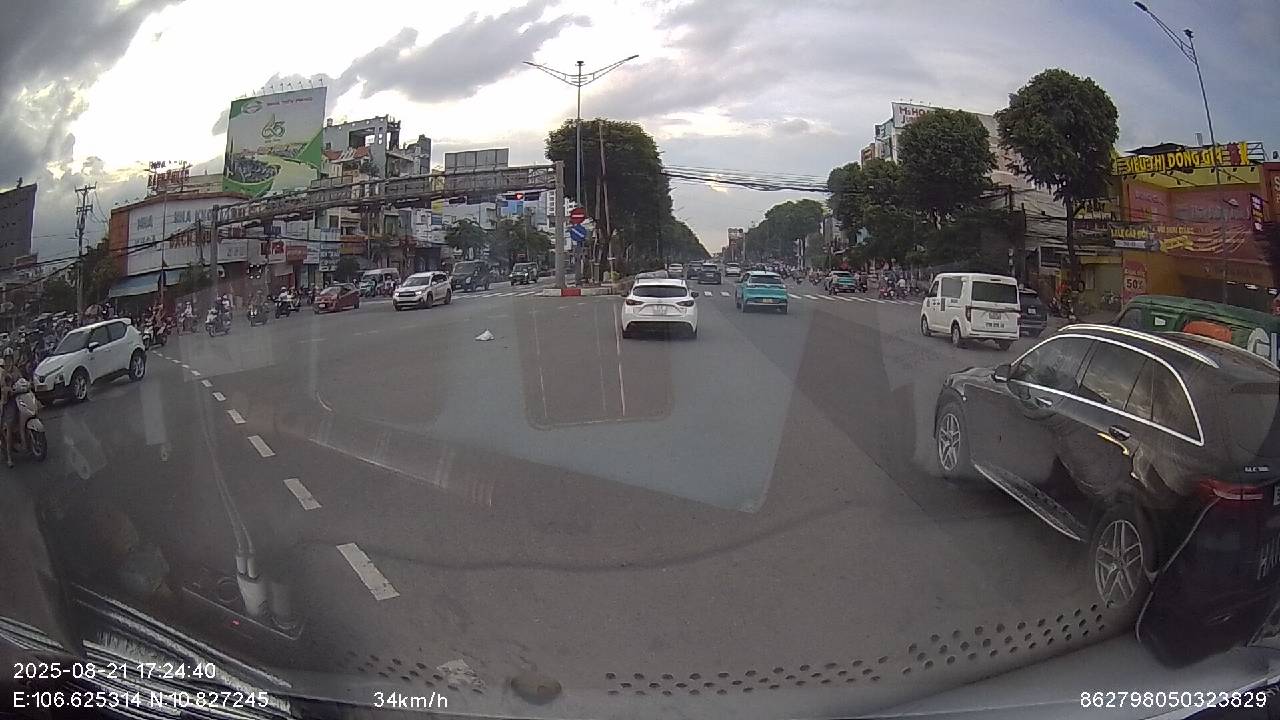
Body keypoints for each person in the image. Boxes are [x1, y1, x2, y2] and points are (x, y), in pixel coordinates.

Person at [0, 349, 19, 467]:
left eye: (10, 358)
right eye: (7, 359)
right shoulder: (3, 373)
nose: (9, 361)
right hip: (7, 402)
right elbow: (2, 386)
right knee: (8, 428)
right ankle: (9, 458)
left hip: (17, 399)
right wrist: (8, 389)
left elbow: (22, 379)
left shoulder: (16, 369)